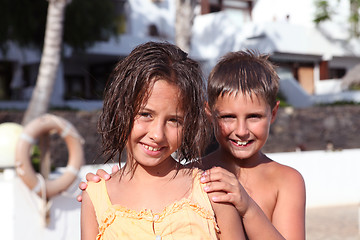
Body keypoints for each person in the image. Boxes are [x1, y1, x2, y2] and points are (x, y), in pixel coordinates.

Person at [80, 50, 306, 240]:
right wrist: (104, 190)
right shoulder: (201, 177)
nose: (241, 130)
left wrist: (247, 206)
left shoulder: (209, 186)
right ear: (209, 114)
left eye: (254, 116)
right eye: (228, 117)